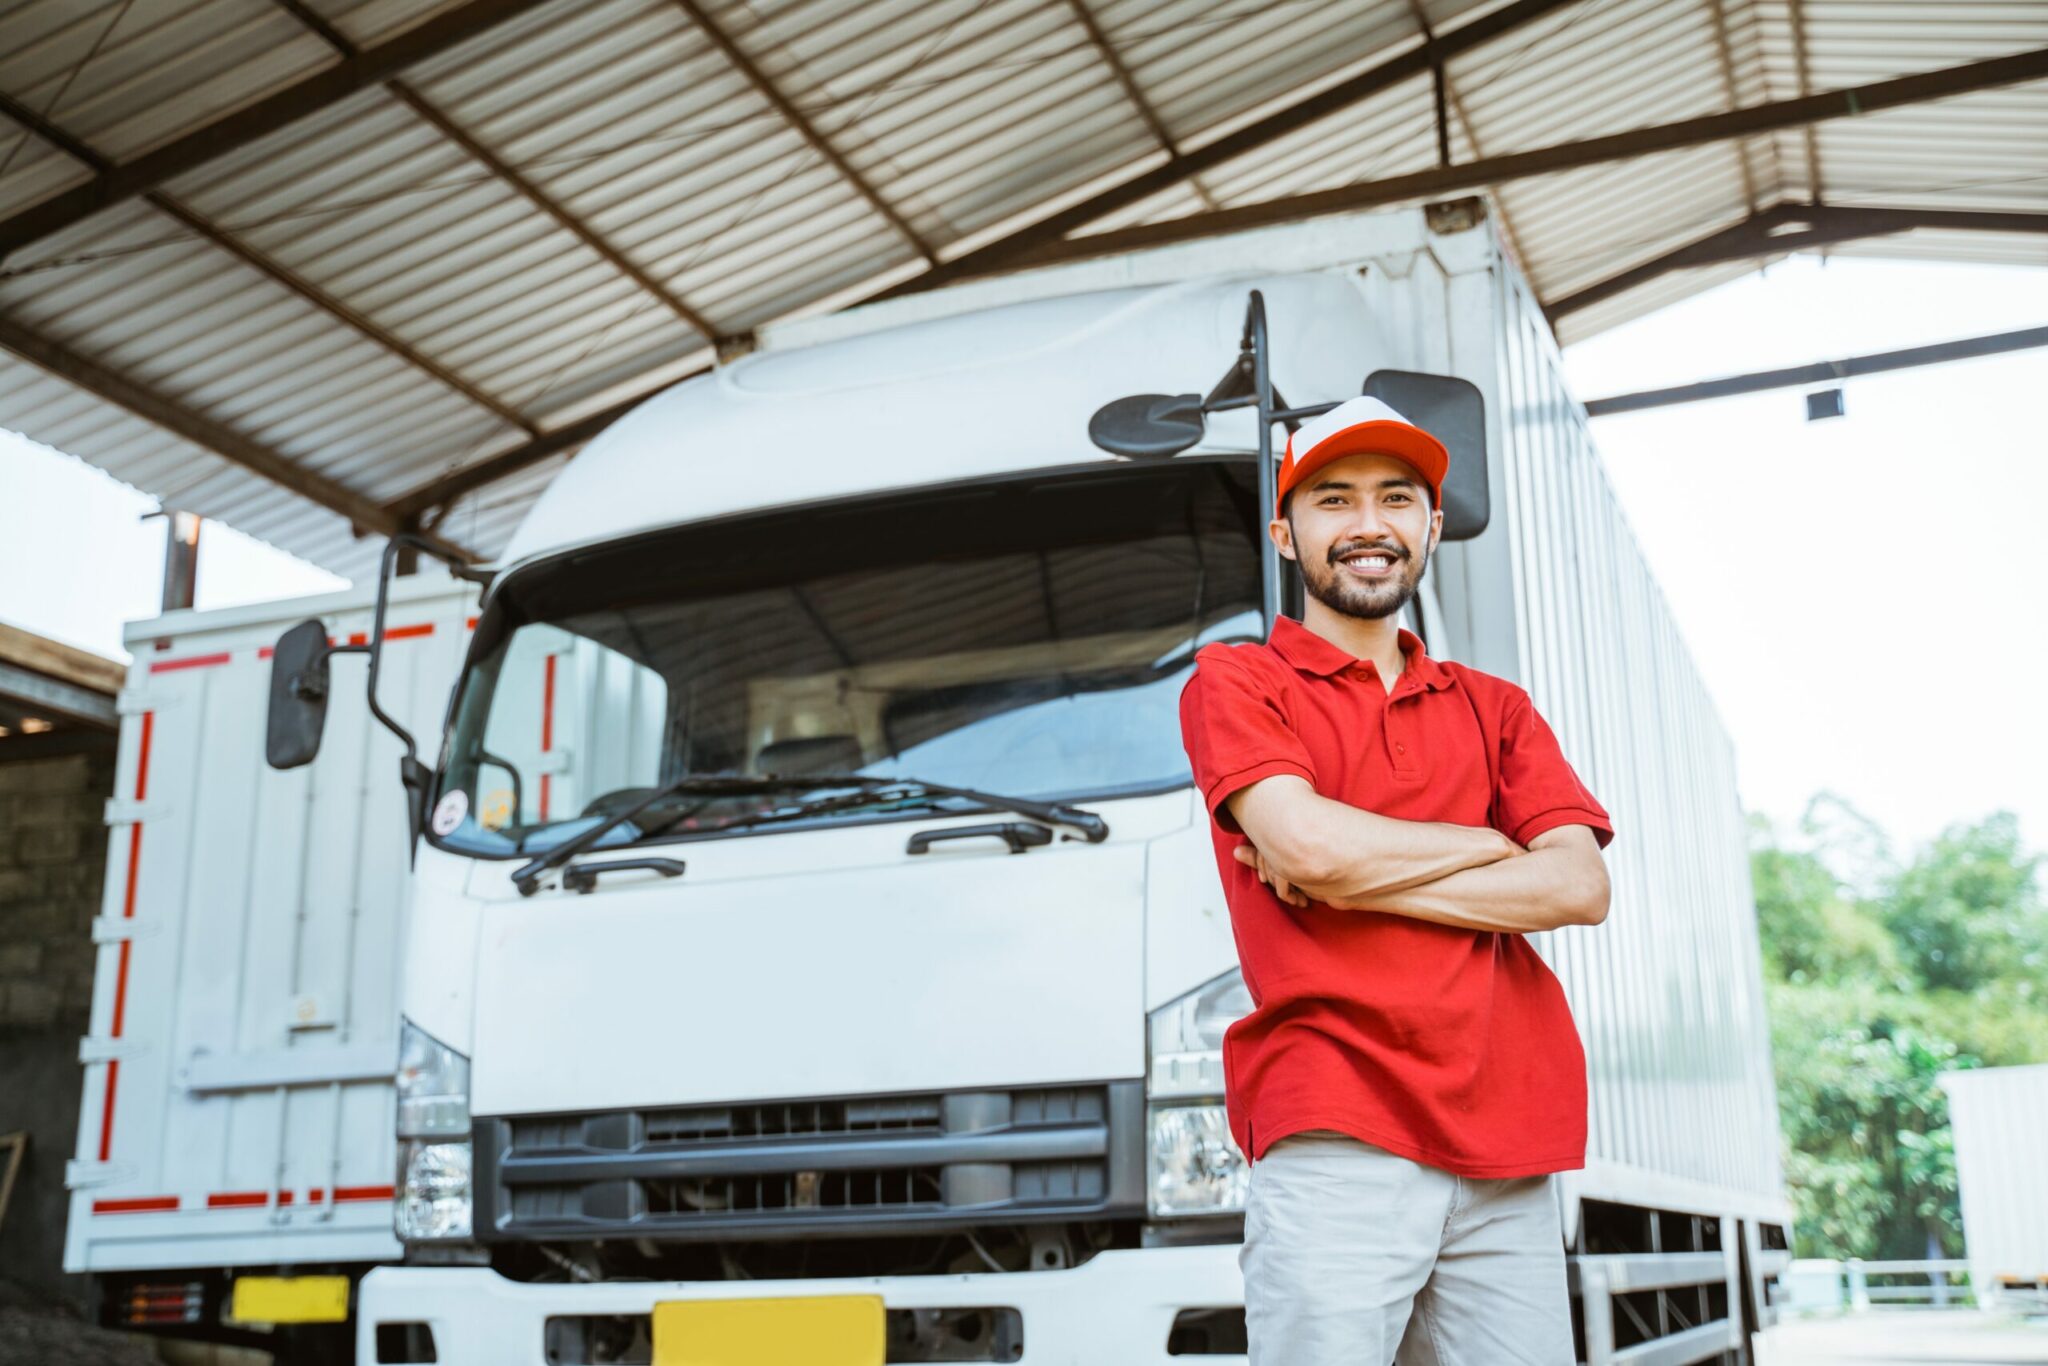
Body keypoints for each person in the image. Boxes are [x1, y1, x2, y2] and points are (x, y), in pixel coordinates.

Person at [1177, 395, 1614, 1365]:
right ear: (1285, 534)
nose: (1368, 525)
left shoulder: (1494, 708)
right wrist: (1492, 846)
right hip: (1332, 1127)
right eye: (1333, 499)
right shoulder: (1237, 683)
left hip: (1506, 1139)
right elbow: (1309, 849)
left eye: (1396, 499)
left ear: (1427, 527)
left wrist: (1346, 875)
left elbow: (1576, 887)